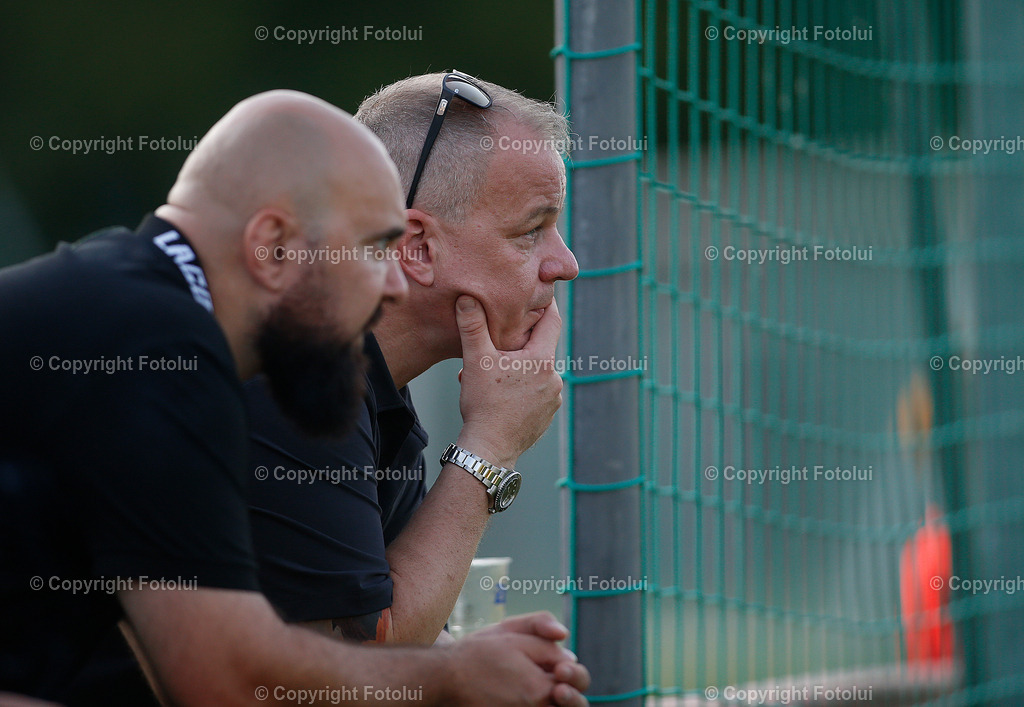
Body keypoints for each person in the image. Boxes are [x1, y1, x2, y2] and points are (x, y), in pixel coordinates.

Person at [0, 89, 589, 706]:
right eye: (372, 248)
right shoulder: (156, 345)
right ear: (273, 243)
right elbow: (229, 685)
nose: (394, 282)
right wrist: (454, 677)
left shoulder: (142, 315)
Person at [243, 71, 579, 644]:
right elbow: (365, 660)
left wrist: (483, 668)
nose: (564, 264)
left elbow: (396, 638)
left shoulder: (374, 385)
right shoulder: (299, 374)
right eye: (532, 230)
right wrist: (490, 444)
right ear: (417, 247)